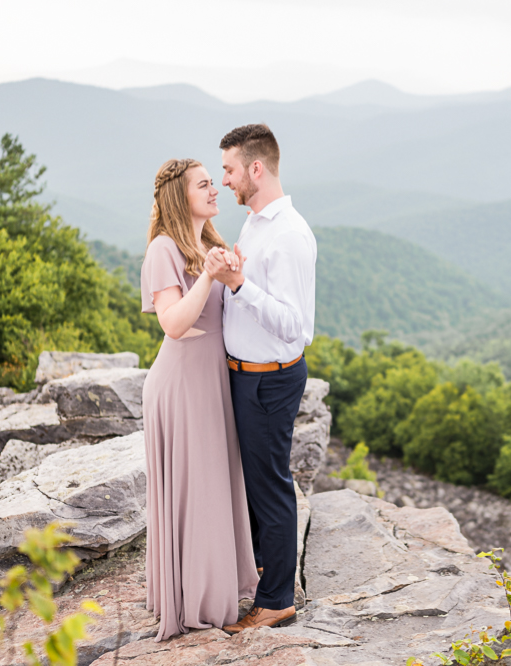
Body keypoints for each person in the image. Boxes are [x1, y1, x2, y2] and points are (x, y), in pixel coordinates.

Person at [204, 124, 318, 633]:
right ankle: (261, 573)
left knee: (270, 487)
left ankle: (275, 601)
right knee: (253, 485)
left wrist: (239, 283)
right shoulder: (254, 223)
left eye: (228, 169)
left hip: (269, 380)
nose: (224, 180)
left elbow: (296, 326)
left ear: (255, 168)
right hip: (243, 375)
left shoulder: (289, 234)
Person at [140, 157, 259, 642]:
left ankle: (220, 588)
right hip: (181, 384)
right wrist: (209, 277)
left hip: (214, 380)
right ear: (179, 195)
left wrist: (232, 274)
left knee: (217, 486)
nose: (215, 190)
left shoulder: (208, 241)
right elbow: (173, 323)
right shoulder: (164, 250)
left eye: (215, 182)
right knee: (198, 490)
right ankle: (199, 602)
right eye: (205, 184)